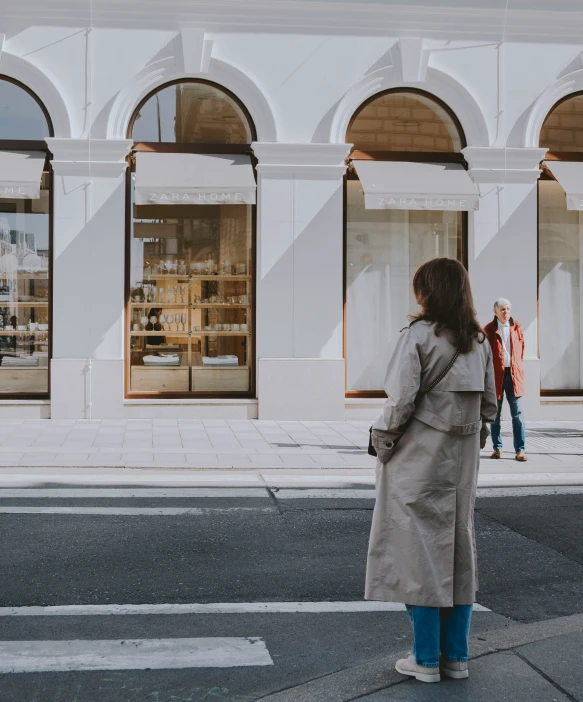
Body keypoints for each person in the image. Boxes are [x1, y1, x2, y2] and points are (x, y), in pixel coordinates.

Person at [366, 258, 497, 684]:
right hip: (460, 469)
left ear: (428, 292)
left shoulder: (419, 337)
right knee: (459, 556)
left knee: (416, 557)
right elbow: (491, 407)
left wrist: (381, 442)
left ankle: (424, 659)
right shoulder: (479, 340)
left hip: (418, 463)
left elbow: (400, 400)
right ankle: (455, 657)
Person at [483, 299, 527, 462]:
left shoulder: (517, 327)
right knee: (495, 414)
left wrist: (516, 367)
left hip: (514, 375)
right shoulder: (488, 329)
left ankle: (520, 450)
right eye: (502, 309)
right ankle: (497, 448)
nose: (506, 312)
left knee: (518, 414)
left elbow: (521, 349)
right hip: (496, 376)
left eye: (508, 309)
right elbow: (485, 354)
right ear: (495, 311)